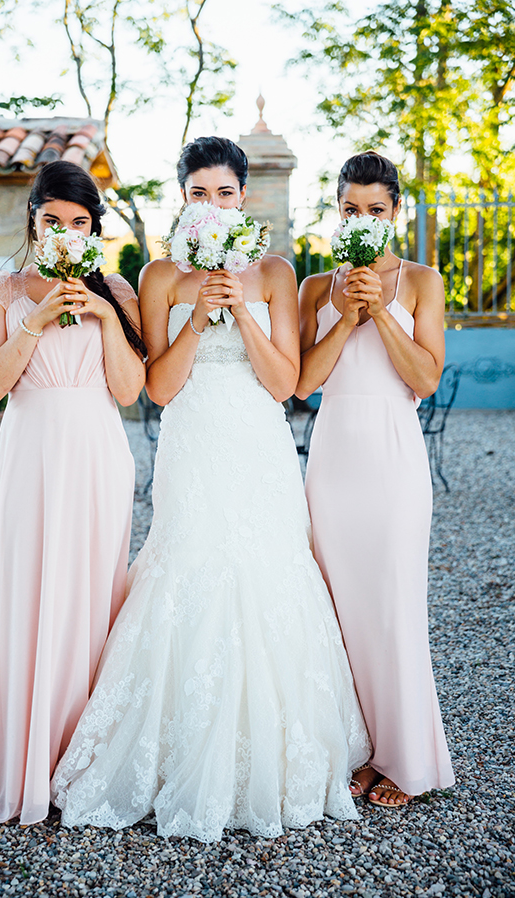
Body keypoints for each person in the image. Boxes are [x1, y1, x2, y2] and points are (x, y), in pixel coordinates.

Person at [50, 136, 370, 843]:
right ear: (183, 199)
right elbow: (160, 389)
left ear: (245, 199)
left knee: (267, 572)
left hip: (257, 444)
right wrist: (199, 316)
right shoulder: (160, 274)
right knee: (187, 568)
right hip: (193, 443)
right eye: (200, 194)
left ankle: (275, 756)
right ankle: (171, 753)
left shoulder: (278, 272)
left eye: (226, 193)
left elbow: (287, 385)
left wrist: (243, 308)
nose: (214, 204)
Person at [0, 160, 146, 825]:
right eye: (53, 220)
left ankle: (85, 761)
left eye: (80, 222)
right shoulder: (3, 289)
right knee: (31, 595)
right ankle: (27, 759)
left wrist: (102, 312)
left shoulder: (115, 287)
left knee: (93, 599)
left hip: (97, 454)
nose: (65, 231)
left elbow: (129, 390)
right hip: (31, 455)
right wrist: (34, 321)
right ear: (33, 222)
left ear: (94, 228)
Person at [296, 151, 455, 808]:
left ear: (396, 214)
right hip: (332, 456)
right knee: (336, 611)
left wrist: (381, 312)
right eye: (351, 209)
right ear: (338, 213)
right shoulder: (312, 288)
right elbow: (304, 386)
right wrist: (348, 314)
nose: (363, 219)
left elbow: (424, 378)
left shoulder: (422, 281)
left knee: (391, 609)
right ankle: (358, 749)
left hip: (392, 455)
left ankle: (406, 759)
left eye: (376, 210)